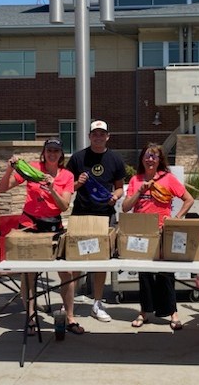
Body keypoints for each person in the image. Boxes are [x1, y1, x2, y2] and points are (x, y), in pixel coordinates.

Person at [0, 137, 84, 336]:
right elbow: (3, 188)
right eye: (49, 150)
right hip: (30, 225)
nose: (52, 154)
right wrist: (10, 169)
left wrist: (52, 189)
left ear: (61, 154)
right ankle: (30, 316)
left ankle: (70, 316)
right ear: (44, 153)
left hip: (53, 226)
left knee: (66, 272)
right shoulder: (33, 169)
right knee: (29, 273)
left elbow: (64, 206)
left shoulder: (67, 175)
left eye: (56, 151)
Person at [122, 143, 194, 330]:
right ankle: (145, 311)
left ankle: (172, 312)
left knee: (166, 273)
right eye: (147, 155)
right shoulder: (135, 180)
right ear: (142, 159)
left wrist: (177, 218)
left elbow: (189, 199)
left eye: (154, 156)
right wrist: (140, 191)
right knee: (144, 274)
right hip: (141, 234)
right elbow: (125, 207)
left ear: (160, 160)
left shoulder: (168, 179)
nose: (150, 159)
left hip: (162, 232)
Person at [66, 120, 126, 322]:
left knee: (101, 261)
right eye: (95, 134)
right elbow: (66, 187)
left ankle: (97, 303)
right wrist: (78, 182)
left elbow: (120, 187)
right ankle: (69, 306)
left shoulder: (115, 159)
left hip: (104, 215)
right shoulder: (77, 158)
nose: (98, 137)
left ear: (107, 136)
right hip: (81, 214)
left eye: (102, 134)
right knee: (75, 259)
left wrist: (115, 196)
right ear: (89, 136)